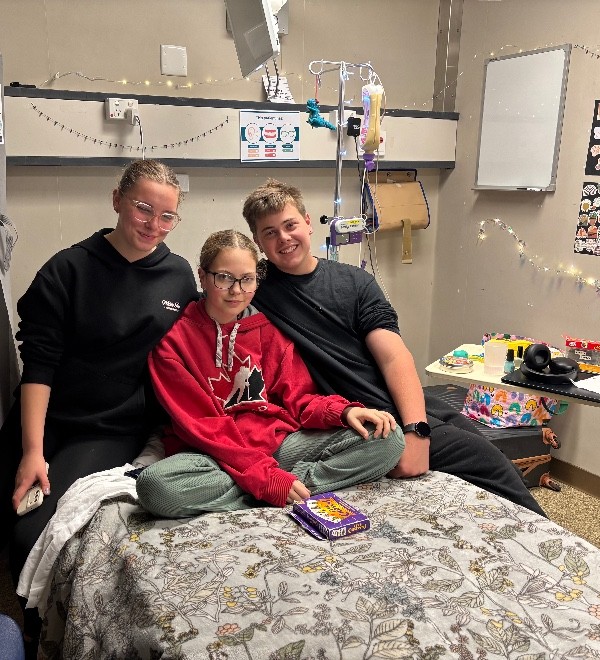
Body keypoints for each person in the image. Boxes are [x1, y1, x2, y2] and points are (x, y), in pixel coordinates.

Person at [242, 179, 546, 518]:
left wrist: (416, 431)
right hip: (360, 414)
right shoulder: (251, 289)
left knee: (484, 446)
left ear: (308, 222)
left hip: (394, 401)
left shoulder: (354, 282)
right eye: (270, 233)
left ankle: (544, 532)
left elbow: (393, 356)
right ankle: (544, 533)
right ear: (257, 241)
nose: (283, 238)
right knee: (486, 461)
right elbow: (212, 288)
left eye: (290, 225)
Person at [0, 159, 198, 654]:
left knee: (29, 532)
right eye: (143, 209)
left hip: (109, 427)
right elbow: (39, 364)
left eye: (167, 216)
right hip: (45, 415)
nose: (154, 224)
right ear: (117, 201)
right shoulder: (68, 269)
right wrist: (32, 450)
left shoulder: (177, 276)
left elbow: (201, 341)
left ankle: (32, 635)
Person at [135, 230, 404, 517]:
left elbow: (299, 398)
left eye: (247, 279)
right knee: (154, 487)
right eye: (224, 278)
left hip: (278, 446)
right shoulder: (172, 345)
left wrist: (344, 411)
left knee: (388, 438)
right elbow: (205, 427)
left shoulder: (269, 332)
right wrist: (264, 478)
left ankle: (284, 488)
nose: (236, 290)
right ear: (202, 276)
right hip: (212, 455)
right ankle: (277, 488)